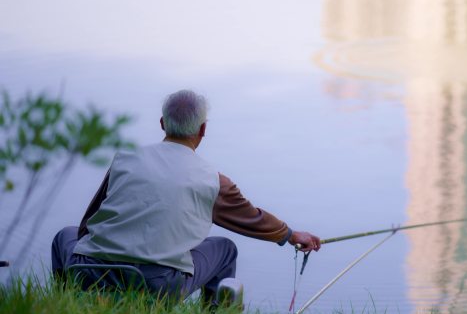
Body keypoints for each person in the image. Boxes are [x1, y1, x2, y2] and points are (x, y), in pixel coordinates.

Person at [51, 90, 320, 302]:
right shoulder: (213, 181)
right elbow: (253, 219)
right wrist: (291, 235)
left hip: (90, 272)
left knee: (65, 235)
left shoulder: (125, 159)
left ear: (162, 123)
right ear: (203, 129)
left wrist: (94, 252)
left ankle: (67, 306)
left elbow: (91, 218)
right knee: (225, 250)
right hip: (158, 287)